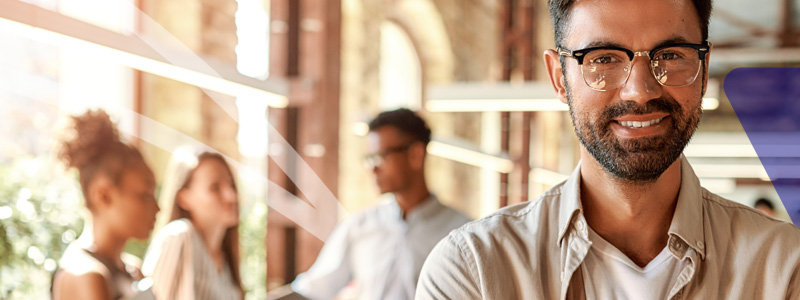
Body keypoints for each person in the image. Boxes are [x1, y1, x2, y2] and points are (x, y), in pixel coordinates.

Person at [416, 0, 800, 299]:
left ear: (703, 66)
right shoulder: (476, 271)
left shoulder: (782, 268)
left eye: (670, 55)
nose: (640, 90)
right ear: (559, 77)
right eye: (603, 59)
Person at [287, 108, 471, 300]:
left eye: (381, 156)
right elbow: (313, 289)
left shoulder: (460, 235)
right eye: (369, 158)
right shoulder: (358, 226)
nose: (372, 168)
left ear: (415, 155)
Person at [52, 110, 159, 300]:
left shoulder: (132, 269)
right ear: (103, 196)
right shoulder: (87, 275)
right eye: (145, 196)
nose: (158, 208)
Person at [142, 146, 243, 300]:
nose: (231, 196)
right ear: (184, 198)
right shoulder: (179, 236)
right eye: (214, 188)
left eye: (230, 184)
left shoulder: (225, 259)